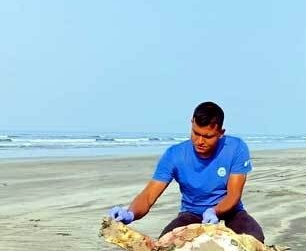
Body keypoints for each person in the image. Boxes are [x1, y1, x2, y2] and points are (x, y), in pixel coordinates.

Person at [108, 101, 265, 241]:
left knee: (254, 237)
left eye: (208, 136)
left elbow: (234, 195)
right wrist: (130, 214)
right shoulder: (174, 155)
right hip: (192, 213)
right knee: (165, 244)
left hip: (229, 210)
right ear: (191, 123)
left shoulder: (236, 148)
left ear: (220, 133)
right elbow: (148, 196)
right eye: (196, 133)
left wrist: (214, 211)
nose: (200, 141)